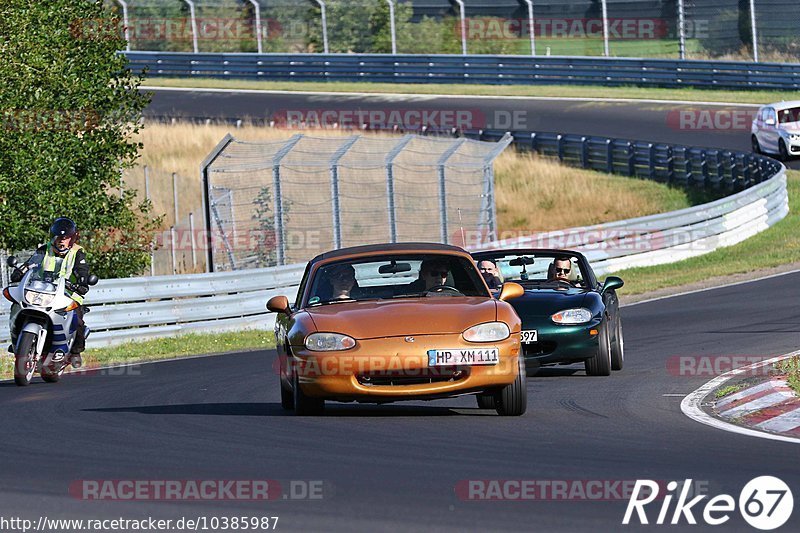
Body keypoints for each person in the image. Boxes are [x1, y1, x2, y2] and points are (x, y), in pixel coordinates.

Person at [9, 217, 91, 368]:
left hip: (68, 293)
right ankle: (20, 339)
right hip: (41, 290)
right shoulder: (44, 249)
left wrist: (82, 281)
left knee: (77, 320)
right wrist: (20, 271)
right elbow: (31, 263)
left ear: (71, 238)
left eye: (65, 238)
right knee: (18, 306)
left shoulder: (77, 253)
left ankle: (75, 351)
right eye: (59, 237)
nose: (61, 241)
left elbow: (82, 270)